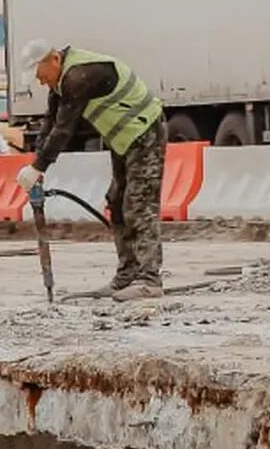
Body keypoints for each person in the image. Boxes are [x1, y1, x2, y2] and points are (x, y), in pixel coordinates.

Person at [15, 40, 167, 300]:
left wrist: (39, 166)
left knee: (139, 205)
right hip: (124, 140)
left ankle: (149, 279)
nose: (41, 83)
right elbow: (51, 122)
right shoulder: (60, 83)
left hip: (145, 133)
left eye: (41, 76)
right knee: (117, 201)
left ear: (54, 59)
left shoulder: (79, 77)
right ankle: (127, 276)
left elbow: (64, 129)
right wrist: (35, 163)